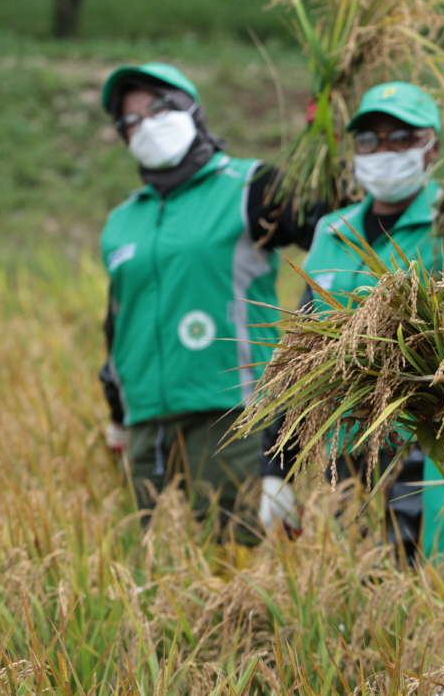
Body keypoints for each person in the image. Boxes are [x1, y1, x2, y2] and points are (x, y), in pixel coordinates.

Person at [258, 81, 444, 561]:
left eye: (401, 138)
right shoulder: (334, 230)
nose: (383, 151)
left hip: (420, 448)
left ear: (433, 145)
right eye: (369, 141)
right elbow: (297, 355)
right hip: (338, 450)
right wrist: (277, 465)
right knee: (345, 593)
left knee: (412, 588)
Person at [99, 62, 317, 541]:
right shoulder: (122, 220)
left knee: (240, 562)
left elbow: (335, 232)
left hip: (231, 415)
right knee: (153, 573)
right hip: (145, 426)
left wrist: (326, 147)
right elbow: (118, 320)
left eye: (158, 107)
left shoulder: (250, 187)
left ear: (191, 109)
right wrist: (117, 410)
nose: (145, 125)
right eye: (130, 120)